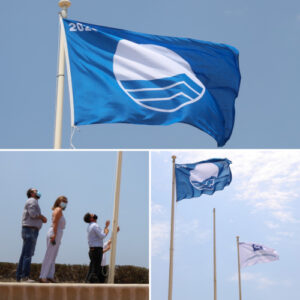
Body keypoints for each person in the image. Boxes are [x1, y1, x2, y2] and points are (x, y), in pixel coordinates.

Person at [16, 188, 47, 282]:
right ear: (31, 193)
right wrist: (42, 217)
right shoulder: (32, 201)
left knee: (25, 254)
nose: (38, 192)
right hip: (30, 230)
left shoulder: (33, 201)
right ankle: (24, 277)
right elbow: (33, 214)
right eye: (35, 191)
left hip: (29, 229)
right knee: (28, 254)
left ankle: (19, 276)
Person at [39, 196, 68, 283]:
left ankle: (49, 275)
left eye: (66, 201)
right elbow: (55, 223)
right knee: (49, 255)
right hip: (54, 232)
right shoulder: (58, 210)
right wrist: (54, 235)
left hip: (58, 233)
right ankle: (43, 276)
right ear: (59, 201)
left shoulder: (60, 210)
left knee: (53, 256)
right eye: (63, 201)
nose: (65, 203)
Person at [83, 212, 110, 283]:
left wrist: (105, 227)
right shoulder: (95, 225)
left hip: (92, 250)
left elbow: (99, 236)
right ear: (91, 218)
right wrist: (106, 231)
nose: (93, 214)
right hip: (96, 250)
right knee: (95, 270)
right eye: (92, 214)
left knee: (92, 268)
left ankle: (86, 284)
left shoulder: (90, 226)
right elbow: (102, 236)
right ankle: (91, 285)